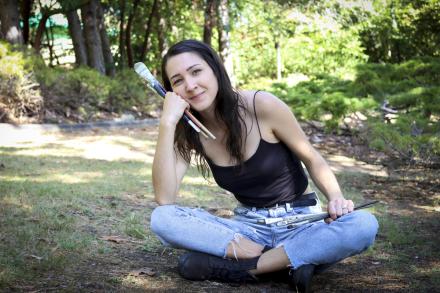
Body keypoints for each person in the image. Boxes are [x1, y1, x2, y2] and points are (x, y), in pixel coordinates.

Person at [150, 39, 378, 292]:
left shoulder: (261, 105)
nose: (190, 85)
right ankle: (288, 263)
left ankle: (245, 268)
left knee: (363, 225)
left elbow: (312, 158)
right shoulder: (189, 131)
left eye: (196, 71)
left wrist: (336, 197)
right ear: (170, 90)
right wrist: (167, 123)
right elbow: (164, 199)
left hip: (302, 223)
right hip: (248, 231)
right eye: (178, 80)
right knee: (162, 219)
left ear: (214, 69)